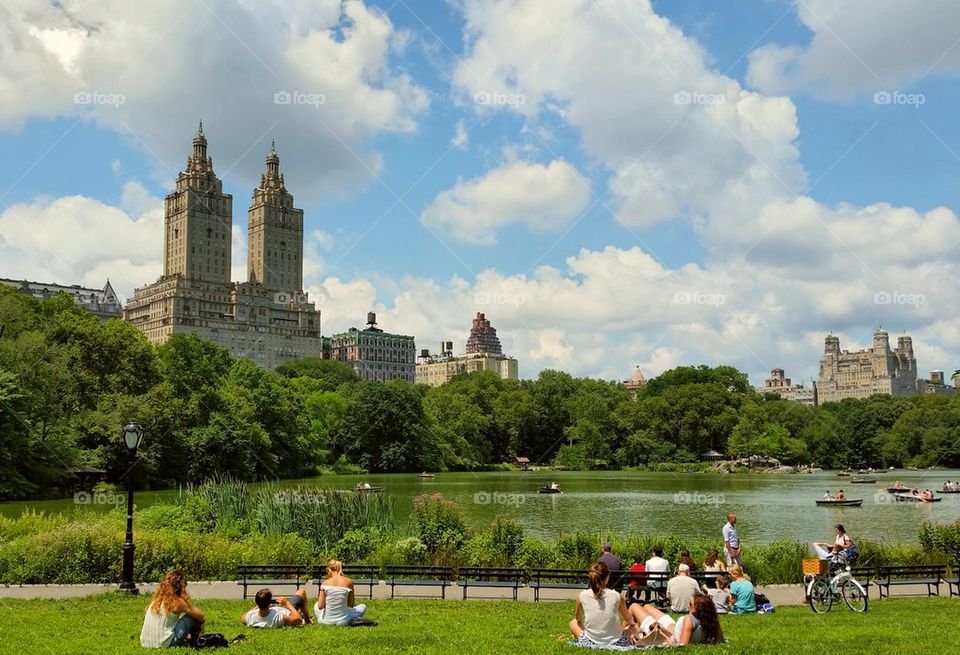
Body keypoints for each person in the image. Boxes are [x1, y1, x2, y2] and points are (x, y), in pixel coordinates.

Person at [569, 561, 637, 647]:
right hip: (616, 641)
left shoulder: (582, 595)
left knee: (573, 623)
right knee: (632, 627)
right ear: (607, 577)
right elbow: (628, 619)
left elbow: (578, 618)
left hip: (590, 641)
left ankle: (588, 637)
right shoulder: (616, 596)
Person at [140, 571, 205, 648]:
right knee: (192, 617)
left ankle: (189, 637)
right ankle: (198, 640)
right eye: (185, 582)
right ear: (180, 586)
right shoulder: (177, 602)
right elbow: (201, 616)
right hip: (163, 643)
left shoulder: (157, 601)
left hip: (145, 642)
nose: (186, 585)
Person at [628, 593, 724, 646]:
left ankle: (622, 637)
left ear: (697, 608)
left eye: (691, 605)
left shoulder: (689, 620)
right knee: (647, 606)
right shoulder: (711, 621)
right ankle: (636, 631)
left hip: (664, 631)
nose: (689, 607)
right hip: (671, 625)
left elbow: (682, 645)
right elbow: (721, 640)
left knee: (633, 606)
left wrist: (663, 631)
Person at [315, 560, 368, 626]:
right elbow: (351, 605)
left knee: (316, 604)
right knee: (363, 606)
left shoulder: (324, 583)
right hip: (343, 621)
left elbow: (320, 606)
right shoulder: (349, 582)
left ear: (328, 570)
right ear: (340, 568)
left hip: (324, 621)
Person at [241, 588, 310, 628]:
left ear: (257, 602)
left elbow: (243, 617)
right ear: (269, 602)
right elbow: (298, 619)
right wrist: (286, 603)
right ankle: (307, 621)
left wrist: (258, 606)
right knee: (301, 591)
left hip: (269, 607)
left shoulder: (249, 617)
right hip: (287, 611)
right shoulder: (278, 617)